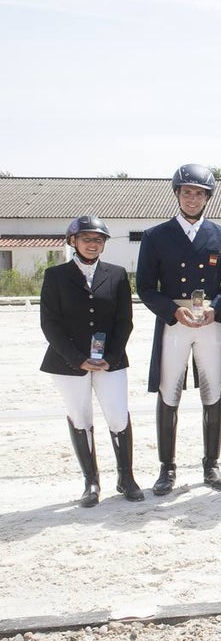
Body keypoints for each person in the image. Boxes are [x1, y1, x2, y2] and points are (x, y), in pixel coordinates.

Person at [137, 164, 221, 494]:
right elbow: (145, 286)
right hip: (175, 320)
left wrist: (217, 309)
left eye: (198, 193)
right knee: (170, 390)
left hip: (209, 320)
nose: (192, 199)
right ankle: (167, 468)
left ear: (207, 197)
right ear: (177, 194)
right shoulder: (156, 236)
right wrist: (172, 311)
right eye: (187, 192)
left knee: (213, 390)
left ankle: (211, 463)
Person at [40, 216, 143, 506]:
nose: (92, 244)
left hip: (110, 360)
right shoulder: (55, 276)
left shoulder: (118, 274)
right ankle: (91, 481)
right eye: (86, 239)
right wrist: (77, 359)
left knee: (118, 415)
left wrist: (111, 357)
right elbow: (50, 324)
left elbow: (125, 321)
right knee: (80, 417)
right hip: (67, 362)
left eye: (98, 240)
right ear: (73, 241)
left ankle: (126, 477)